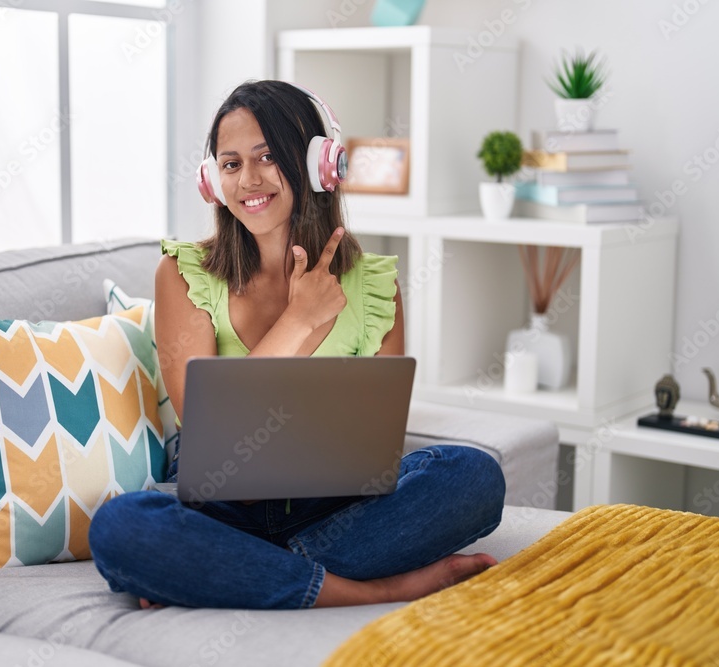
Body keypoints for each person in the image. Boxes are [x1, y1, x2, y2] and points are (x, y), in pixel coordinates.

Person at [88, 80, 505, 610]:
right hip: (221, 512)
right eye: (232, 163)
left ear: (316, 166)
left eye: (268, 157)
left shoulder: (375, 287)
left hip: (337, 513)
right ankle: (373, 589)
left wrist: (191, 565)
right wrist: (299, 320)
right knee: (120, 527)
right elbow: (216, 442)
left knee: (473, 475)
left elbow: (375, 445)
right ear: (212, 181)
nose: (249, 179)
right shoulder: (182, 273)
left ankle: (231, 571)